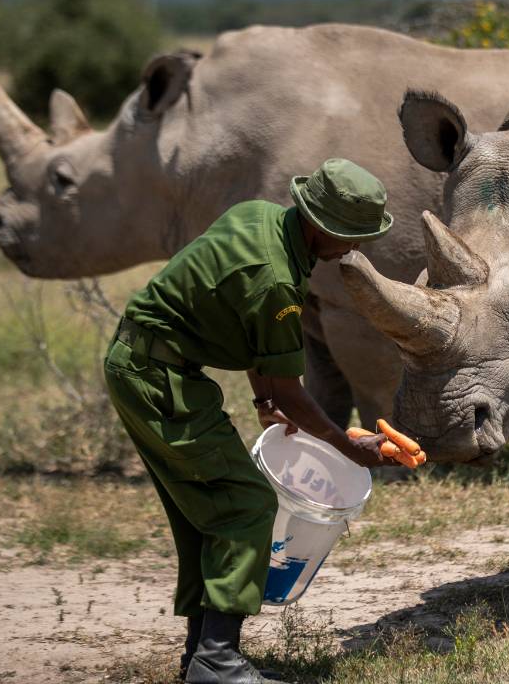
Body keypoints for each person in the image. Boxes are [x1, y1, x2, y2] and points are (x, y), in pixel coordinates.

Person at [104, 158, 395, 684]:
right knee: (246, 506)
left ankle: (201, 656)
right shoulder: (275, 280)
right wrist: (347, 446)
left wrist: (263, 400)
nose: (354, 248)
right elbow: (290, 386)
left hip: (148, 365)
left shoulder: (261, 217)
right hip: (159, 379)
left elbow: (252, 337)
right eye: (351, 236)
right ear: (320, 225)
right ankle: (217, 660)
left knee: (208, 513)